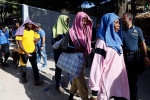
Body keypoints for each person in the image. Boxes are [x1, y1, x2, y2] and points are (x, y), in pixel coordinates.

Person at [89, 13, 130, 100]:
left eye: (119, 22)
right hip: (107, 86)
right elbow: (97, 67)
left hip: (119, 86)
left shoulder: (117, 41)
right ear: (109, 24)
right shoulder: (102, 43)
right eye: (116, 22)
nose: (119, 25)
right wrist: (94, 93)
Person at [58, 12, 92, 100]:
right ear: (77, 20)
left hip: (83, 59)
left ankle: (71, 96)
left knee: (76, 79)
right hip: (75, 61)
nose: (84, 23)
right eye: (82, 20)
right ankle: (85, 98)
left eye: (86, 21)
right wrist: (75, 49)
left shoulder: (87, 31)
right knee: (81, 82)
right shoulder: (71, 32)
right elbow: (62, 47)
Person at [122, 12, 150, 100]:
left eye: (124, 18)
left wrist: (146, 56)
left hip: (133, 59)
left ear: (130, 19)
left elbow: (143, 43)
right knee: (122, 79)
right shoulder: (121, 31)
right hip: (123, 58)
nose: (122, 20)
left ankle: (134, 97)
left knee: (133, 81)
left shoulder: (138, 30)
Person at [15, 20, 43, 85]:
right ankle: (23, 77)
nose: (31, 25)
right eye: (29, 24)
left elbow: (37, 37)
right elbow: (20, 44)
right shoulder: (21, 32)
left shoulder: (32, 32)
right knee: (23, 66)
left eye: (31, 24)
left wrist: (37, 39)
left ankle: (36, 80)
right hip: (23, 52)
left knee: (35, 66)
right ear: (25, 25)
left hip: (33, 51)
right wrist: (26, 52)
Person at [52, 15, 73, 93]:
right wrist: (63, 40)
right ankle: (58, 85)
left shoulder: (69, 31)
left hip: (67, 53)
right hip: (58, 54)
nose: (67, 22)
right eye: (65, 21)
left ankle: (73, 87)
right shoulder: (55, 31)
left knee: (70, 70)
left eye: (68, 21)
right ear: (60, 21)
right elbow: (54, 45)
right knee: (58, 70)